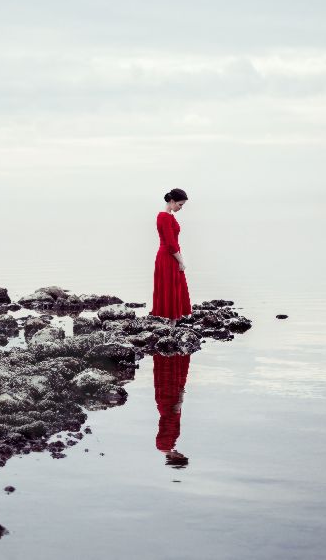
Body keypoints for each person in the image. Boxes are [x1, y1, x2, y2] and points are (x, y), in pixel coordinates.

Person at [151, 188, 191, 327]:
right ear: (172, 201)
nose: (181, 208)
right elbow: (170, 244)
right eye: (180, 205)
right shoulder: (164, 217)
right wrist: (181, 261)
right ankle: (171, 327)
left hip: (170, 255)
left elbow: (172, 243)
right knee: (172, 288)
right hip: (168, 256)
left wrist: (179, 259)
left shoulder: (168, 216)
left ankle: (172, 326)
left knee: (174, 288)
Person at [153, 353, 191, 468]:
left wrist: (180, 401)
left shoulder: (164, 445)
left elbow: (170, 420)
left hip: (169, 404)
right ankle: (168, 354)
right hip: (167, 405)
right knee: (170, 378)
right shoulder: (167, 445)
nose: (182, 454)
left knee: (169, 378)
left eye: (181, 456)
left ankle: (168, 354)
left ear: (175, 458)